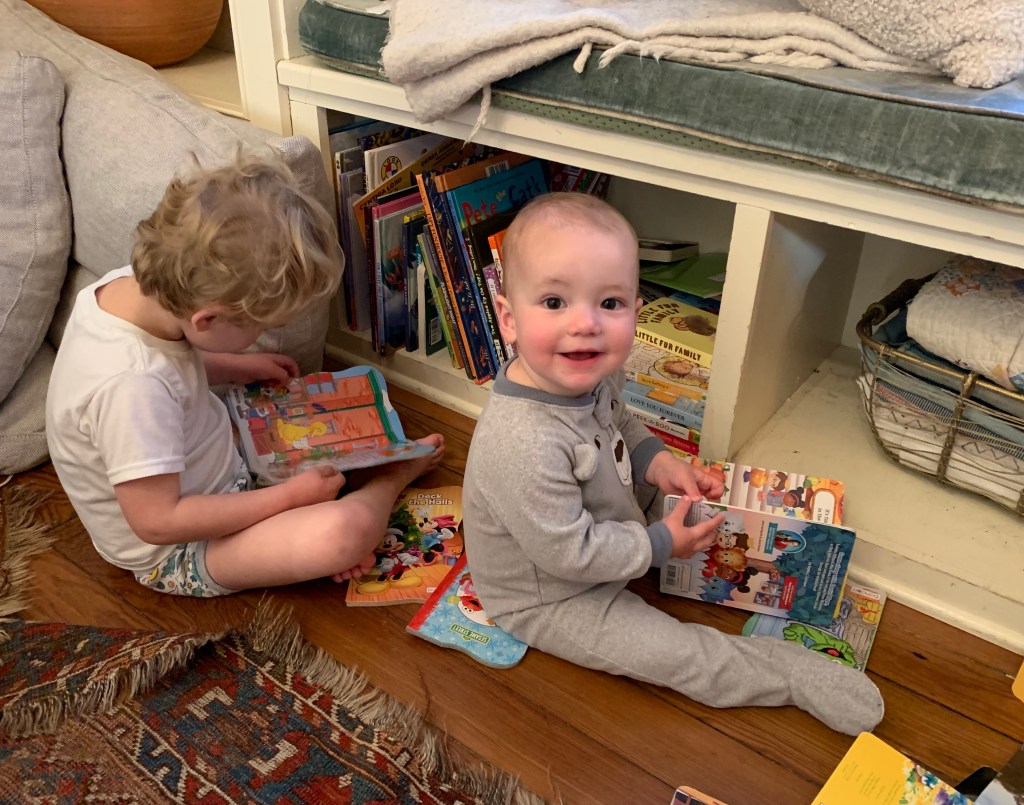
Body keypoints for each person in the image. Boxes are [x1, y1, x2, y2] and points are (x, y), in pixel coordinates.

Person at [462, 192, 883, 735]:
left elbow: (620, 422)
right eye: (553, 301)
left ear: (636, 313)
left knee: (710, 503)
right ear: (509, 319)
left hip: (608, 521)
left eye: (609, 303)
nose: (585, 323)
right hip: (552, 593)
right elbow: (571, 555)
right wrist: (659, 544)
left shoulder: (587, 373)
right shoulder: (521, 442)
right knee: (677, 655)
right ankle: (788, 674)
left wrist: (659, 462)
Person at [45, 153, 444, 597]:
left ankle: (303, 507)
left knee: (314, 443)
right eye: (260, 327)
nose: (263, 336)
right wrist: (288, 499)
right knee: (342, 534)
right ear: (207, 320)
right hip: (179, 546)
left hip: (218, 466)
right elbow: (157, 522)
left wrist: (234, 366)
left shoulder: (130, 289)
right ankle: (391, 480)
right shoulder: (130, 389)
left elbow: (170, 369)